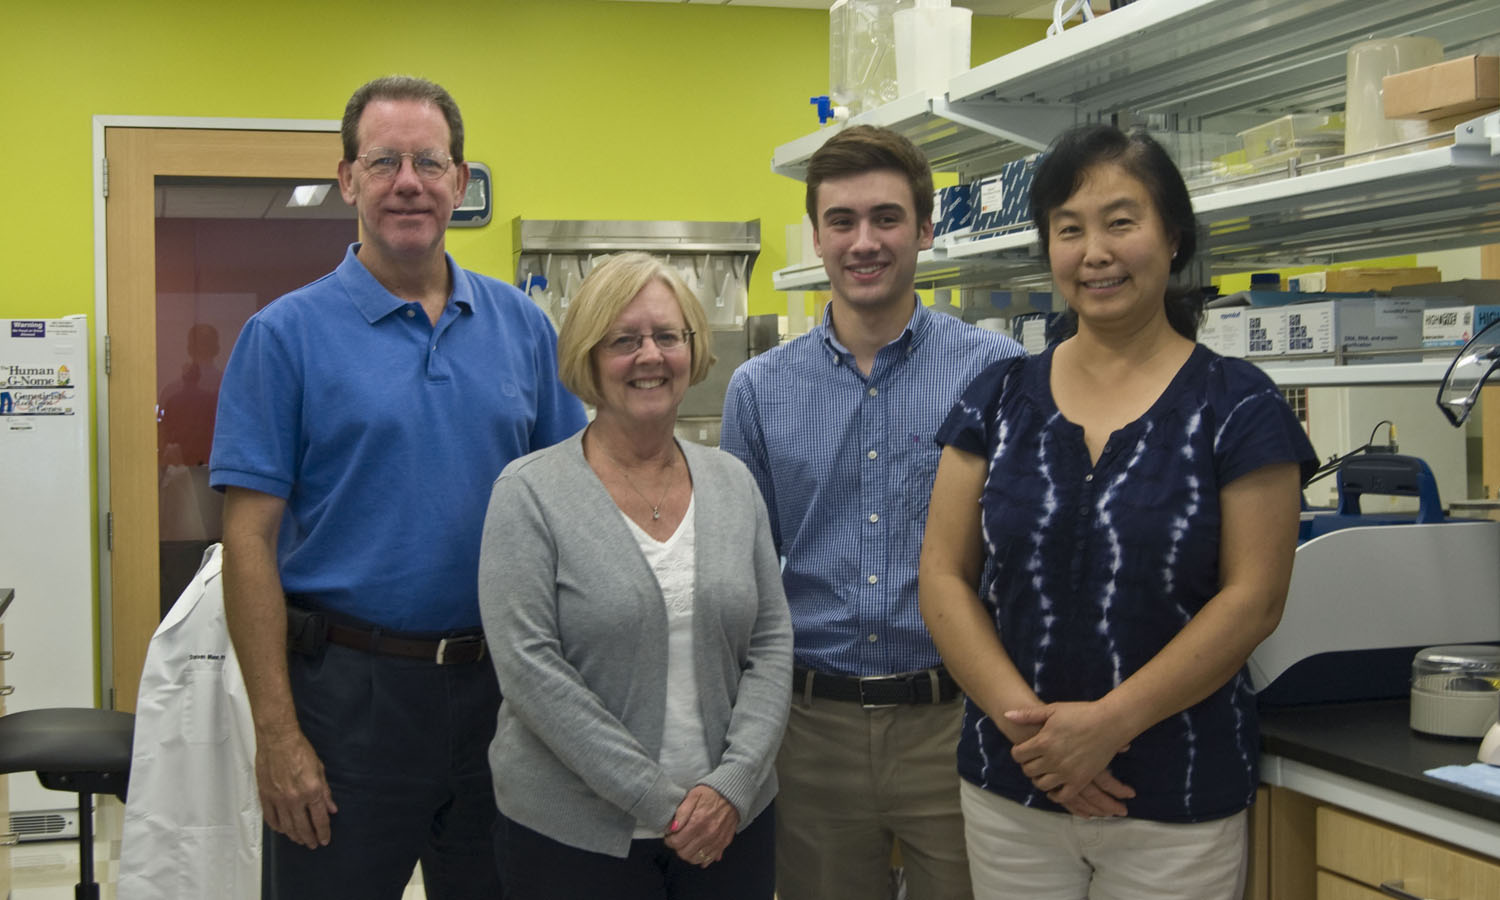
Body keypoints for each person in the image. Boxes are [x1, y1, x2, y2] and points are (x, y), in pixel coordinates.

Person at [209, 75, 587, 899]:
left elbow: (575, 502)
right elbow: (248, 542)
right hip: (349, 700)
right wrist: (277, 733)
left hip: (503, 693)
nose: (408, 182)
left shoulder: (522, 327)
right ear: (348, 180)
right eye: (384, 162)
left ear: (460, 179)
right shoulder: (283, 337)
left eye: (429, 162)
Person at [919, 123, 1318, 900]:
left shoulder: (1239, 405)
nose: (1094, 251)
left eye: (1120, 222)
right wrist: (1032, 734)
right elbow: (943, 574)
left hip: (1177, 795)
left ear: (1172, 238)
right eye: (1069, 229)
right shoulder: (996, 399)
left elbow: (1254, 599)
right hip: (1012, 786)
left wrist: (1108, 725)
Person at [721, 125, 1023, 900]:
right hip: (809, 725)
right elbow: (744, 574)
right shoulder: (757, 390)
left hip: (953, 718)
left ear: (925, 229)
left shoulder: (994, 372)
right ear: (817, 236)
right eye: (842, 221)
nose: (865, 241)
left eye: (887, 218)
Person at [478, 251, 793, 899]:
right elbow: (530, 671)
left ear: (692, 349)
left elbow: (771, 642)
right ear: (588, 357)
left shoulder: (732, 484)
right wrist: (661, 802)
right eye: (624, 340)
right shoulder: (530, 493)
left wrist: (732, 784)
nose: (649, 355)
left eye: (667, 336)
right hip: (574, 839)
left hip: (731, 828)